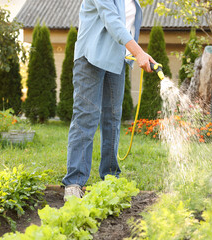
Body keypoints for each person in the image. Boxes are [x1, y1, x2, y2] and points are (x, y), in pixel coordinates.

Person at [62, 0, 155, 200]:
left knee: (112, 119)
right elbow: (111, 20)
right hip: (90, 59)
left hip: (116, 61)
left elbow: (127, 26)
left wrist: (137, 53)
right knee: (86, 117)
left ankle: (111, 177)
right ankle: (74, 181)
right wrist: (139, 52)